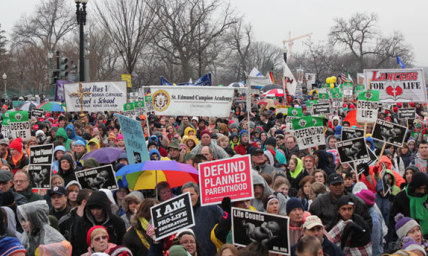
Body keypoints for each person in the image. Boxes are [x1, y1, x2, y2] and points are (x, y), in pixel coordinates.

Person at [73, 191, 126, 256]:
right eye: (92, 208)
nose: (95, 212)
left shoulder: (117, 222)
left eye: (98, 208)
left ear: (105, 207)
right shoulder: (82, 223)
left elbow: (122, 244)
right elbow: (77, 244)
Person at [181, 182, 223, 256]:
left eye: (191, 194)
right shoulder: (180, 213)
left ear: (198, 194)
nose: (189, 198)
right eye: (186, 196)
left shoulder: (212, 207)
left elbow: (225, 225)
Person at [390, 172, 428, 239]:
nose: (422, 191)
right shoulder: (401, 198)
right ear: (413, 187)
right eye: (419, 189)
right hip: (408, 238)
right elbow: (393, 219)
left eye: (424, 188)